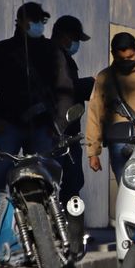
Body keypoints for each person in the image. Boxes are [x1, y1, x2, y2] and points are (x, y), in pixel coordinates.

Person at [0, 2, 66, 266]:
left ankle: (53, 232)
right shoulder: (1, 51)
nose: (38, 25)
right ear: (20, 21)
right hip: (9, 125)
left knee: (50, 178)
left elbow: (64, 90)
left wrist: (57, 123)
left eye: (41, 20)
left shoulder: (51, 51)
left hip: (43, 127)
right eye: (33, 20)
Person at [86, 32, 135, 182]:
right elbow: (95, 113)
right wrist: (93, 152)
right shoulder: (105, 77)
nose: (125, 62)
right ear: (113, 55)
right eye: (120, 59)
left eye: (129, 58)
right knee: (125, 186)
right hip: (118, 141)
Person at [50, 15, 94, 210]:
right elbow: (65, 89)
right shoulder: (54, 56)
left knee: (73, 183)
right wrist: (89, 85)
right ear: (64, 36)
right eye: (75, 38)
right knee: (68, 183)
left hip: (67, 131)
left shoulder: (62, 57)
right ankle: (67, 227)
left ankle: (70, 229)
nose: (76, 44)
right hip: (59, 132)